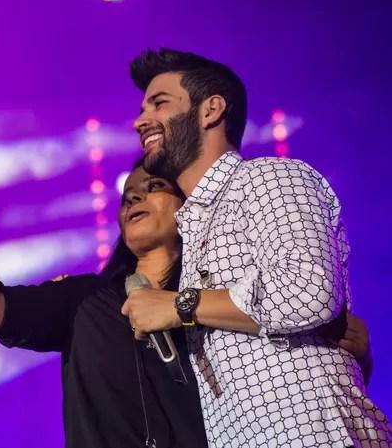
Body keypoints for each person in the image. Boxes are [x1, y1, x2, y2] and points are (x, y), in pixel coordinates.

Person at [0, 106, 374, 447]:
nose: (135, 198)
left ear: (189, 207)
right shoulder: (86, 300)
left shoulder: (221, 298)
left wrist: (348, 350)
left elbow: (292, 355)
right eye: (128, 196)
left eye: (154, 187)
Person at [121, 48, 391, 447]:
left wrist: (180, 305)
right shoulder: (194, 225)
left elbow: (309, 293)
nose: (141, 120)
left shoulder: (268, 178)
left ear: (211, 110)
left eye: (159, 103)